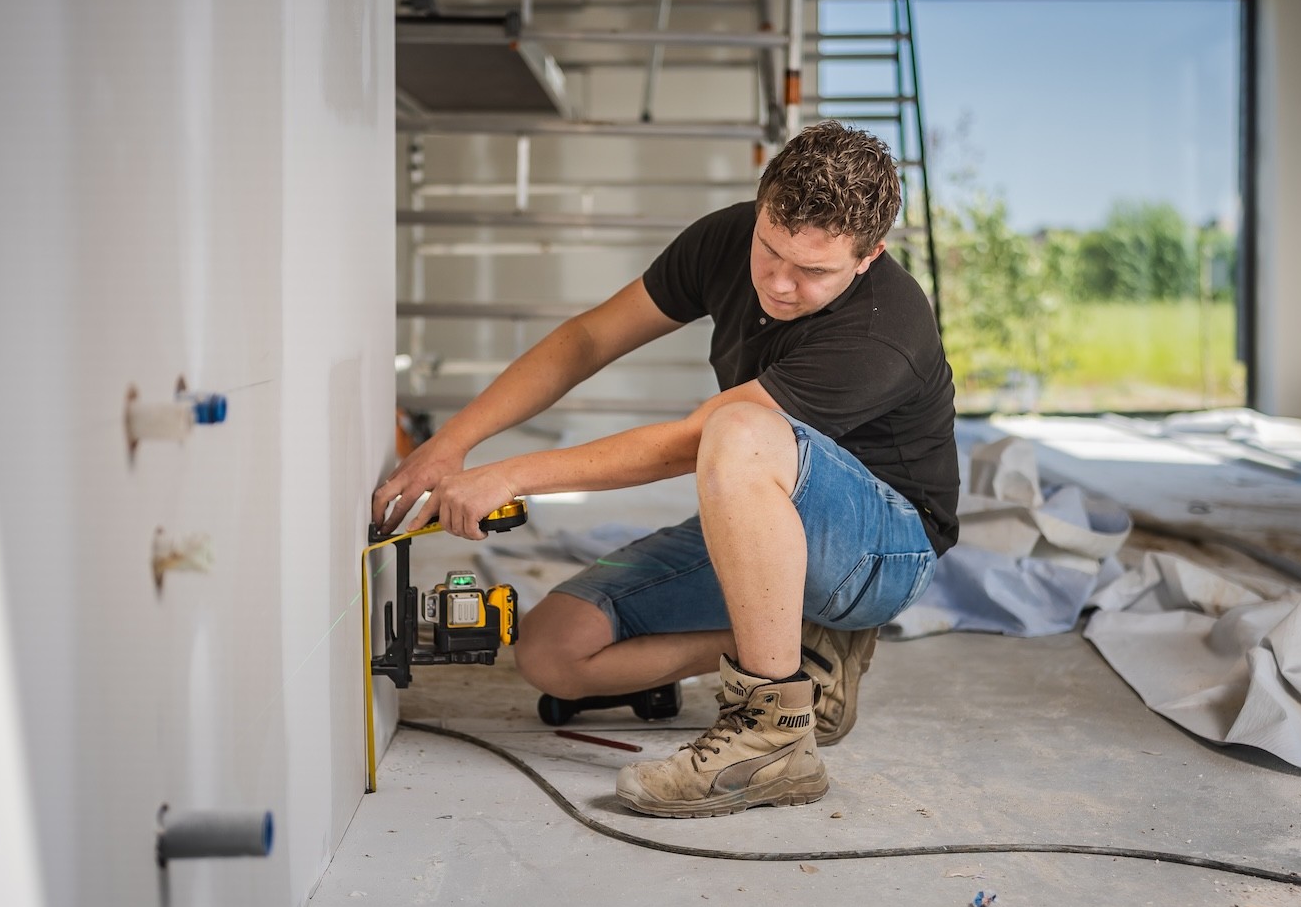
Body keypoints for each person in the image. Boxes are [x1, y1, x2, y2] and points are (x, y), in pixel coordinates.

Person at [371, 122, 960, 818]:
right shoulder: (726, 238)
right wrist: (453, 444)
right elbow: (588, 338)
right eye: (770, 249)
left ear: (869, 257)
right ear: (761, 208)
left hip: (883, 551)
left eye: (813, 272)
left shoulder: (881, 331)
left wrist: (513, 475)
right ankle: (799, 655)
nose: (777, 281)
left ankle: (773, 738)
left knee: (735, 429)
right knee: (552, 650)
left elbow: (691, 443)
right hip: (772, 534)